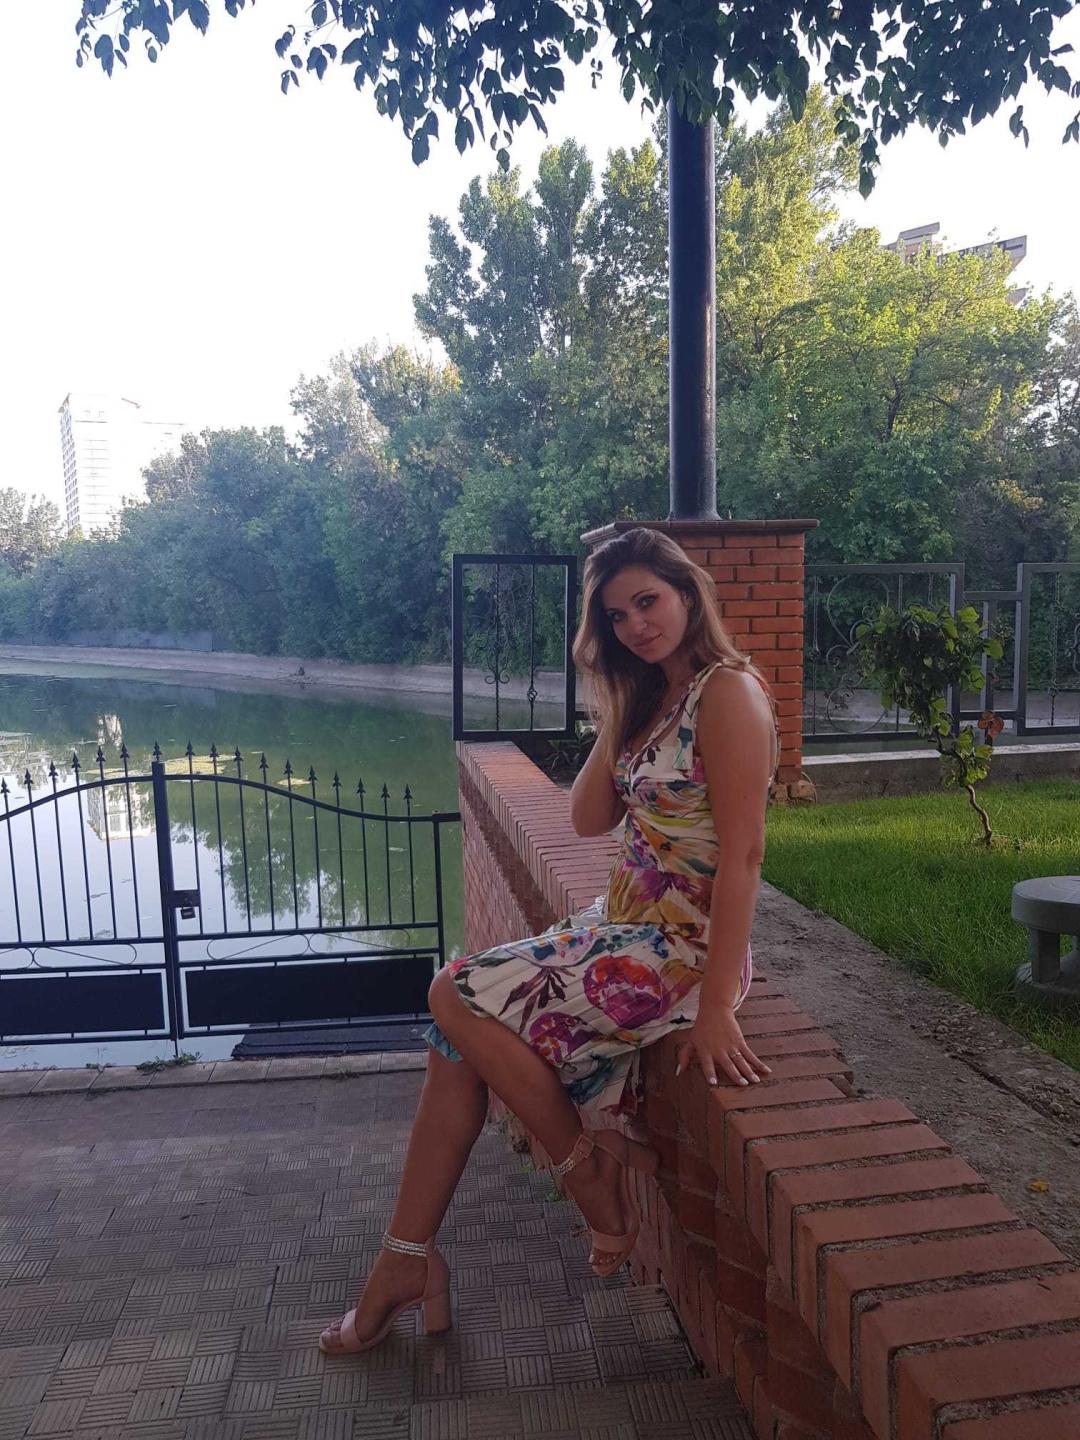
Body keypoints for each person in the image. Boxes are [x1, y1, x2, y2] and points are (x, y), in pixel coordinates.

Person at [320, 526, 780, 1355]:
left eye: (648, 602)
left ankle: (587, 1176)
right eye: (617, 617)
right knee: (455, 1039)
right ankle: (405, 1260)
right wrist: (622, 701)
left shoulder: (728, 694)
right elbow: (587, 817)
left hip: (684, 951)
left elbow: (744, 857)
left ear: (688, 593)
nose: (637, 625)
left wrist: (717, 1007)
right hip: (626, 928)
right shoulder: (657, 697)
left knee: (452, 992)